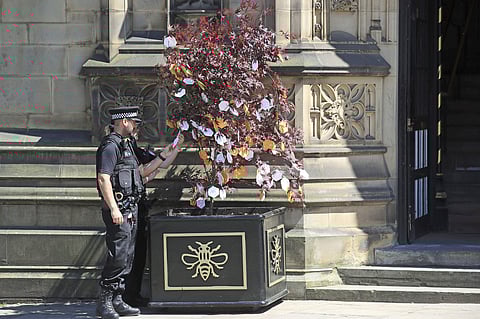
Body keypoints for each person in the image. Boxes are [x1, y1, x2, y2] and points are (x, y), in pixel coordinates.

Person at [95, 106, 183, 319]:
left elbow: (146, 169)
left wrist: (175, 149)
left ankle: (118, 299)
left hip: (131, 209)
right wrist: (114, 209)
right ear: (124, 121)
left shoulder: (128, 145)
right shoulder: (110, 146)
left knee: (127, 257)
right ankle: (104, 302)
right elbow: (103, 179)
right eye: (134, 122)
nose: (136, 126)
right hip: (120, 210)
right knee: (117, 256)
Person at [123, 134, 183, 307]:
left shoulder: (134, 148)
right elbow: (144, 170)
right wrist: (157, 163)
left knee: (140, 253)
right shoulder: (118, 149)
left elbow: (161, 163)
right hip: (129, 206)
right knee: (129, 255)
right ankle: (124, 296)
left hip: (140, 205)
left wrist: (177, 146)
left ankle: (133, 294)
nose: (136, 132)